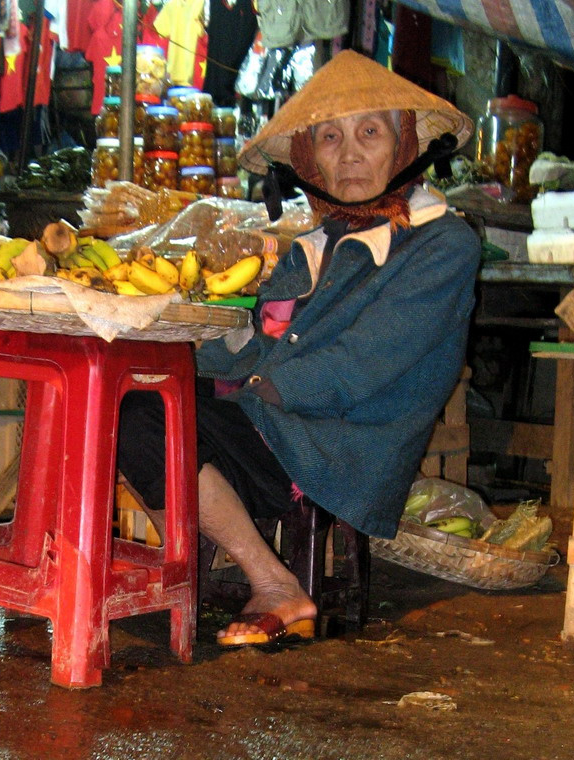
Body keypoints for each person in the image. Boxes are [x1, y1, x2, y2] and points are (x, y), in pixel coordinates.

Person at [116, 50, 480, 648]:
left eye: (370, 132)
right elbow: (260, 338)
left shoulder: (442, 243)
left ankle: (274, 585)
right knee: (135, 403)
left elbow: (368, 359)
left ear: (404, 143)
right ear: (310, 158)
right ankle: (192, 567)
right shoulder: (311, 243)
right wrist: (189, 354)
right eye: (330, 139)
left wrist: (258, 388)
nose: (350, 153)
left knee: (155, 422)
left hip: (342, 440)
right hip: (273, 417)